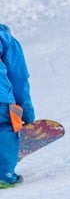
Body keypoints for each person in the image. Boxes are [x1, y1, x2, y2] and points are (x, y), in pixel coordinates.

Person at [0, 24, 35, 187]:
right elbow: (19, 79)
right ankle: (4, 174)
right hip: (2, 99)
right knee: (5, 128)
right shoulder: (6, 39)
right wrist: (27, 115)